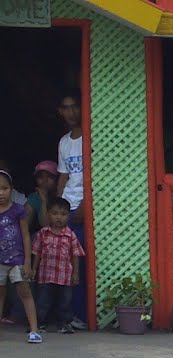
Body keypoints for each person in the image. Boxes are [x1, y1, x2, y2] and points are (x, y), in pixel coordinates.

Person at [55, 90, 89, 329]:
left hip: (83, 208)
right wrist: (57, 209)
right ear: (60, 112)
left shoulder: (91, 137)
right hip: (67, 208)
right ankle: (70, 314)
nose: (71, 112)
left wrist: (86, 204)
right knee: (65, 263)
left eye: (75, 106)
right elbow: (63, 177)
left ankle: (84, 315)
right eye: (66, 107)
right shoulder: (64, 142)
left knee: (81, 264)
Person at [0, 169, 43, 343]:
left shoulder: (18, 211)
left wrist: (27, 261)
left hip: (17, 259)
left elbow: (26, 236)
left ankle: (34, 330)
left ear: (12, 189)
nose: (1, 193)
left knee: (24, 291)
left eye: (4, 188)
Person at [31, 196, 84, 335]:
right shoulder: (42, 234)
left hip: (64, 276)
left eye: (63, 214)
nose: (58, 218)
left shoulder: (70, 235)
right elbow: (37, 252)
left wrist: (76, 274)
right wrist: (34, 269)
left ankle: (64, 324)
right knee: (43, 301)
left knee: (64, 302)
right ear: (48, 214)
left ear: (68, 216)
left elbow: (75, 255)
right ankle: (40, 323)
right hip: (45, 275)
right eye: (54, 214)